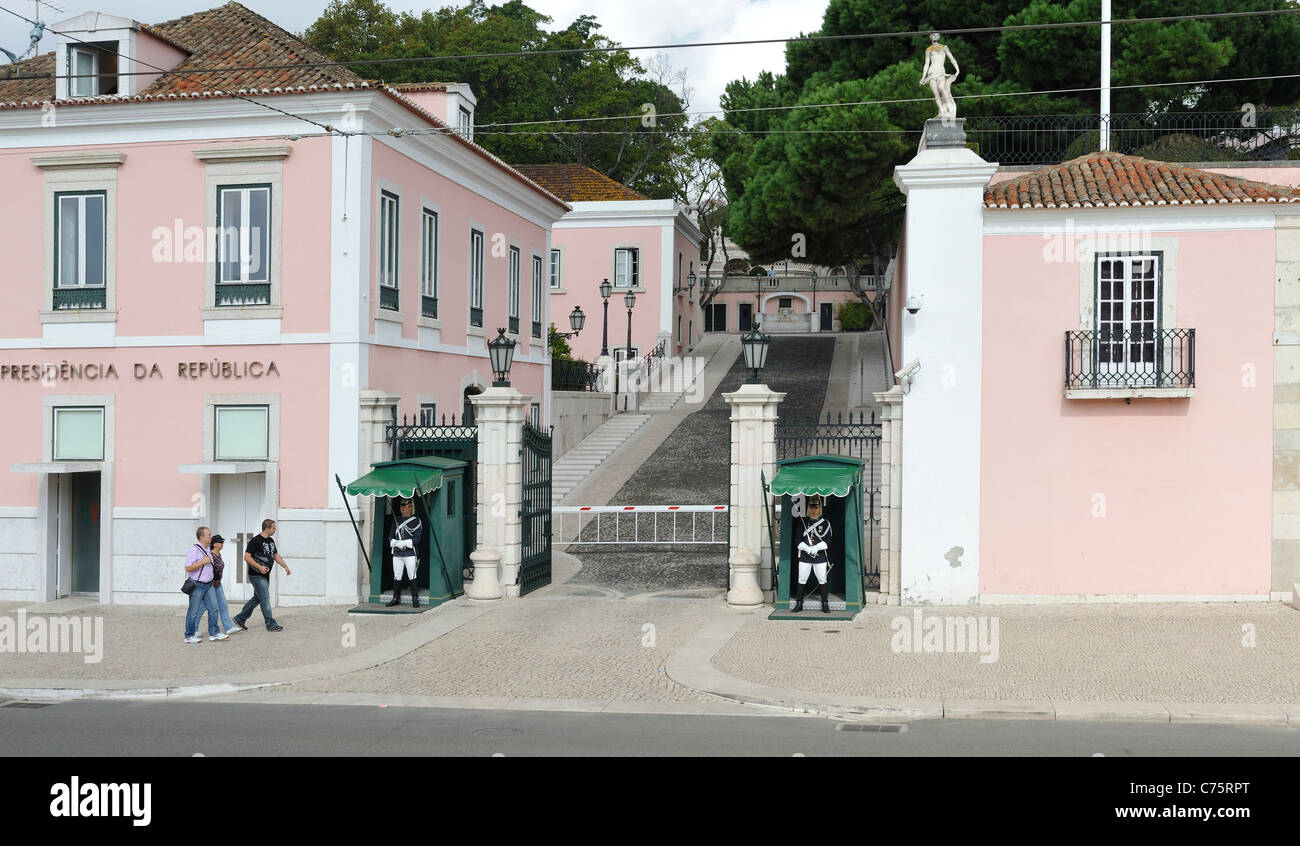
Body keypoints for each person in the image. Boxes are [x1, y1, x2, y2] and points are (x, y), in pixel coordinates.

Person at [234, 519, 291, 632]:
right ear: (267, 528)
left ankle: (240, 618)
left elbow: (275, 555)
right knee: (265, 598)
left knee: (258, 598)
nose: (275, 529)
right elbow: (247, 557)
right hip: (256, 574)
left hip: (265, 574)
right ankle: (270, 623)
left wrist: (285, 566)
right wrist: (259, 567)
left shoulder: (270, 540)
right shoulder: (255, 541)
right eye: (273, 527)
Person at [184, 527, 228, 643]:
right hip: (197, 585)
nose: (211, 536)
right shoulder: (194, 550)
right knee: (193, 611)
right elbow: (188, 567)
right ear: (201, 537)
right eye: (208, 535)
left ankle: (214, 633)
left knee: (214, 608)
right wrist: (202, 562)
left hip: (209, 585)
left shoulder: (208, 548)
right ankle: (189, 636)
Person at [792, 495, 832, 614]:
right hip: (805, 556)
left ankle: (825, 603)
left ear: (820, 508)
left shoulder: (825, 523)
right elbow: (797, 540)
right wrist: (807, 548)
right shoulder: (803, 522)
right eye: (812, 507)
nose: (814, 510)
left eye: (816, 507)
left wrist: (816, 548)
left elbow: (828, 541)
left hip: (820, 557)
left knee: (822, 579)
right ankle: (799, 603)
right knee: (802, 579)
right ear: (809, 508)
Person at [386, 498, 424, 608]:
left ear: (410, 507)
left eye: (405, 506)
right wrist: (395, 542)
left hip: (410, 553)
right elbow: (390, 536)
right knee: (397, 575)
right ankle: (395, 598)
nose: (402, 508)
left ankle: (415, 598)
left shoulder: (416, 521)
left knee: (412, 575)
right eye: (401, 506)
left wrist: (405, 543)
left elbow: (417, 538)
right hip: (398, 553)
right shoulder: (396, 520)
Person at [919, 31, 960, 121]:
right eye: (933, 35)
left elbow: (952, 59)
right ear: (930, 37)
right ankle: (941, 112)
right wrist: (923, 77)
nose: (935, 36)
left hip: (941, 73)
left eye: (937, 35)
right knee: (936, 94)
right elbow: (926, 64)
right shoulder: (928, 49)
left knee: (941, 88)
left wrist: (957, 70)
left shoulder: (944, 47)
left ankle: (949, 107)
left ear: (939, 36)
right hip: (931, 74)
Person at [208, 535, 243, 635]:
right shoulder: (210, 555)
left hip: (218, 584)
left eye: (222, 542)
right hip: (209, 585)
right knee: (202, 608)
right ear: (214, 544)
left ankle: (228, 628)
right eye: (220, 542)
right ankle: (194, 629)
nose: (222, 544)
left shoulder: (218, 554)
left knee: (223, 605)